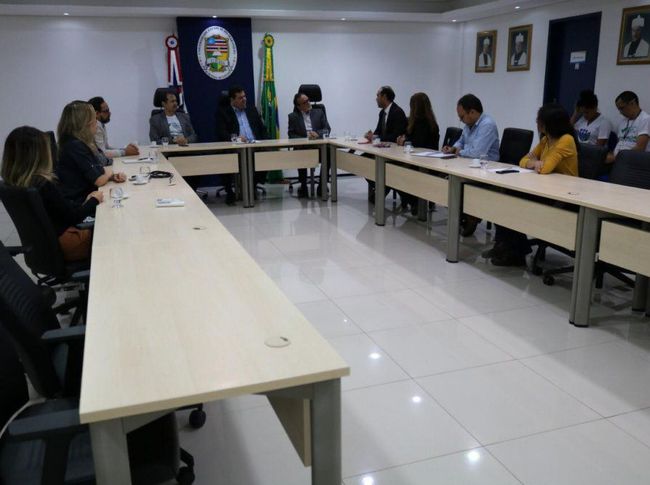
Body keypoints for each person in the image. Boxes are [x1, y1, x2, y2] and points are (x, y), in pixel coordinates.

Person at [484, 104, 578, 266]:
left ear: (549, 123)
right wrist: (534, 163)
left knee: (512, 201)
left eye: (539, 120)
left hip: (564, 196)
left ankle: (513, 249)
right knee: (505, 194)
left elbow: (545, 168)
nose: (536, 123)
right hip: (546, 188)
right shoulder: (546, 140)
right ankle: (507, 246)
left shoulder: (566, 140)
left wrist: (536, 163)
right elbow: (523, 160)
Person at [1, 126, 104, 261]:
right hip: (69, 245)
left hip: (43, 251)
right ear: (38, 155)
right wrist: (94, 200)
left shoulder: (13, 184)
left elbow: (63, 211)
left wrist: (86, 201)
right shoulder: (43, 184)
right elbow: (74, 218)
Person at [442, 94, 500, 236]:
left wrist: (459, 151)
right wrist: (452, 148)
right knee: (446, 180)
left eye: (462, 117)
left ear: (472, 112)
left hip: (486, 170)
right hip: (469, 166)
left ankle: (471, 216)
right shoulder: (469, 125)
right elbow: (461, 142)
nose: (460, 120)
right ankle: (465, 215)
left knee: (456, 183)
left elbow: (476, 153)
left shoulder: (487, 125)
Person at [56, 100, 126, 207]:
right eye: (94, 119)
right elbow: (98, 180)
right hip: (81, 204)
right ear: (86, 124)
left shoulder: (75, 143)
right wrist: (109, 174)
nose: (97, 123)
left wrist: (111, 177)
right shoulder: (75, 146)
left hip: (87, 197)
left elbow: (98, 171)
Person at [215, 85, 267, 205]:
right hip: (234, 148)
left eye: (244, 97)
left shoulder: (252, 109)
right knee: (224, 158)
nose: (244, 99)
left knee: (268, 155)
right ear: (232, 100)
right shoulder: (223, 112)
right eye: (240, 98)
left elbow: (262, 129)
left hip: (254, 146)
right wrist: (236, 138)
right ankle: (229, 191)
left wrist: (267, 141)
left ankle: (252, 185)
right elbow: (221, 133)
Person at [396, 92, 440, 215]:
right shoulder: (413, 122)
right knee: (395, 171)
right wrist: (403, 138)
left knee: (397, 174)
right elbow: (408, 137)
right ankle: (413, 200)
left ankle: (414, 201)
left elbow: (419, 143)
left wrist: (405, 141)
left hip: (426, 163)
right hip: (416, 160)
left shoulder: (427, 124)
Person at [364, 86, 408, 203]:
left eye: (377, 96)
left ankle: (385, 187)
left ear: (384, 97)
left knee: (375, 164)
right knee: (363, 161)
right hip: (383, 151)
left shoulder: (397, 112)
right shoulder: (382, 113)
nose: (376, 99)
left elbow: (395, 136)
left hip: (394, 153)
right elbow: (378, 132)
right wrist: (372, 135)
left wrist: (376, 137)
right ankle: (383, 186)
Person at [287, 92, 331, 198]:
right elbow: (291, 135)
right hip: (303, 147)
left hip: (319, 147)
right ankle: (303, 185)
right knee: (299, 152)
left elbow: (327, 129)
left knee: (329, 153)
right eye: (305, 102)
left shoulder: (319, 112)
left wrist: (318, 134)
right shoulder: (293, 116)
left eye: (308, 100)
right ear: (298, 106)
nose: (308, 103)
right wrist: (305, 138)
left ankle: (322, 184)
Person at [88, 96, 139, 163]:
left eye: (108, 110)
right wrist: (124, 152)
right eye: (106, 111)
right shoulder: (97, 125)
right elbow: (103, 153)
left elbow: (106, 147)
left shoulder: (101, 124)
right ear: (97, 113)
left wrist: (124, 149)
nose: (109, 113)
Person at [608, 90, 650, 163]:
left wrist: (615, 158)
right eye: (619, 109)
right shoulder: (623, 122)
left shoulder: (646, 119)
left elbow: (640, 148)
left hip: (633, 162)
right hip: (619, 161)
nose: (620, 112)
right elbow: (620, 143)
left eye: (622, 108)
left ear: (632, 103)